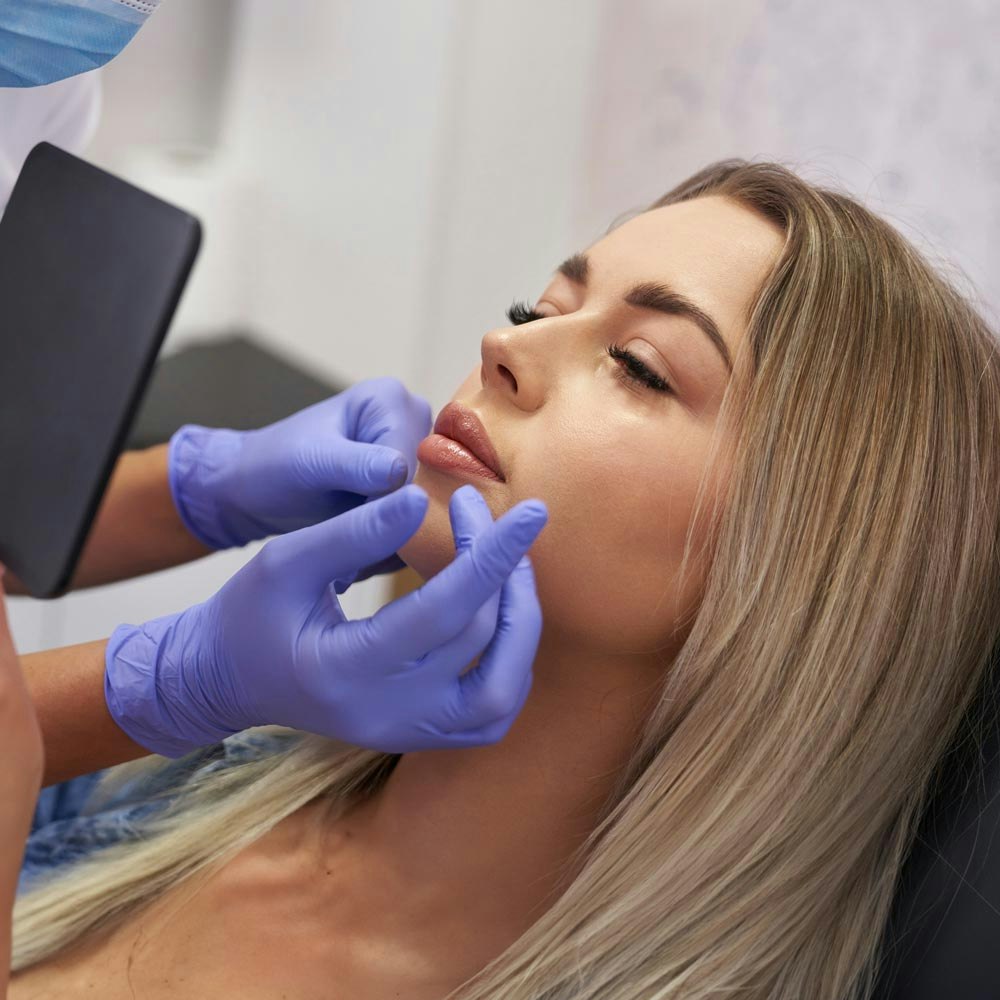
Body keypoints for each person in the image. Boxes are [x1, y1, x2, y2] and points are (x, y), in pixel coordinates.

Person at [5, 158, 1000, 999]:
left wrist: (173, 679)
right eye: (541, 306)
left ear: (793, 576)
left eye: (641, 366)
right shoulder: (192, 785)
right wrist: (187, 514)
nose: (505, 344)